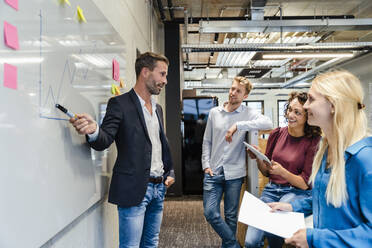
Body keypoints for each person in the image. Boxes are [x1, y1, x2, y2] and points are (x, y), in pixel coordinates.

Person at [70, 52, 175, 248]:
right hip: (134, 188)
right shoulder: (120, 104)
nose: (165, 80)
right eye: (162, 74)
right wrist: (94, 131)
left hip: (158, 187)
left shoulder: (157, 108)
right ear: (145, 72)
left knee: (151, 243)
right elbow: (104, 140)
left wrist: (170, 171)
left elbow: (159, 143)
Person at [270, 70, 372, 248]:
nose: (306, 106)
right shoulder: (327, 149)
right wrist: (294, 207)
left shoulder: (365, 159)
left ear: (333, 105)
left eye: (311, 99)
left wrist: (315, 238)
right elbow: (326, 196)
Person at [237, 92, 322, 248]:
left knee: (274, 229)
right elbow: (267, 172)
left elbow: (305, 184)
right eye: (290, 109)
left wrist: (283, 172)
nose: (291, 115)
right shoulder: (277, 133)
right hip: (271, 190)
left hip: (296, 193)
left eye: (297, 112)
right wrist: (258, 158)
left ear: (307, 117)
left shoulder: (313, 142)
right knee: (250, 241)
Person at [202, 76, 272, 248]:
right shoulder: (214, 113)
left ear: (245, 96)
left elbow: (268, 123)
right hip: (214, 171)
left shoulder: (248, 113)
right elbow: (207, 141)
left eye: (238, 91)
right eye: (232, 88)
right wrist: (206, 165)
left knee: (231, 216)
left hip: (235, 173)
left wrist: (239, 126)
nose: (233, 93)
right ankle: (233, 243)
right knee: (210, 213)